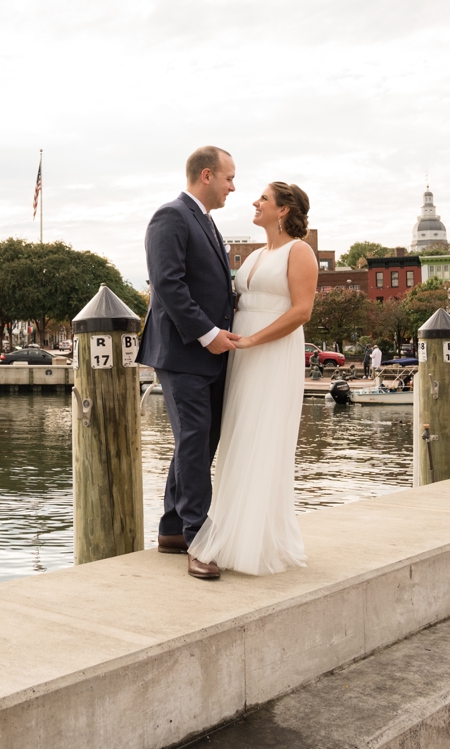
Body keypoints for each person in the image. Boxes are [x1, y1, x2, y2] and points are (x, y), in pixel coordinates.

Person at [188, 181, 318, 578]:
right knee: (238, 434)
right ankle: (231, 529)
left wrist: (255, 340)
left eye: (263, 198)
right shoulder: (257, 253)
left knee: (262, 435)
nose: (254, 202)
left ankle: (247, 539)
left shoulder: (301, 252)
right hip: (241, 352)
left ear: (283, 210)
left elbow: (302, 312)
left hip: (271, 352)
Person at [136, 146, 242, 580]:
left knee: (198, 441)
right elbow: (167, 283)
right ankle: (199, 539)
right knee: (196, 438)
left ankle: (173, 529)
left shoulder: (208, 222)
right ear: (206, 175)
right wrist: (209, 333)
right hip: (183, 352)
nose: (233, 186)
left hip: (208, 352)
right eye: (229, 178)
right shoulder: (172, 216)